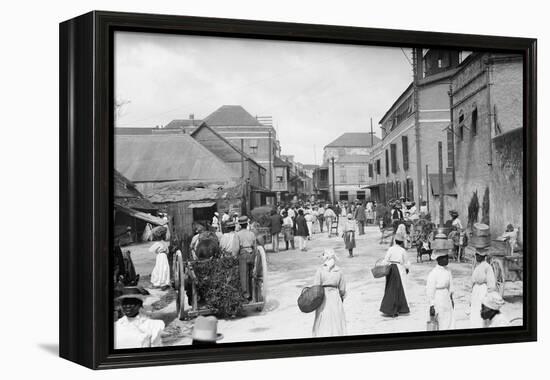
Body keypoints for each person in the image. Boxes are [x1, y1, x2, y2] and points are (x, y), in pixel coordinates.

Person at [312, 249, 347, 337]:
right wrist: (341, 297)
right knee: (336, 318)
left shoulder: (320, 270)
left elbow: (316, 286)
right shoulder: (339, 271)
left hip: (323, 296)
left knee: (323, 317)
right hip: (335, 297)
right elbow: (342, 289)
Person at [380, 231, 411, 316]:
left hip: (391, 269)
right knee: (400, 288)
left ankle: (389, 308)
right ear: (401, 242)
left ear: (395, 241)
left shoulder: (390, 249)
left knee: (390, 288)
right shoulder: (403, 250)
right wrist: (407, 268)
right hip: (400, 269)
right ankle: (400, 308)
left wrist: (384, 265)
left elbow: (385, 260)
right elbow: (406, 262)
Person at [426, 249, 455, 330]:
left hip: (446, 298)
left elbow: (450, 286)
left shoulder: (448, 271)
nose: (447, 259)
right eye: (444, 258)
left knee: (449, 318)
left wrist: (451, 299)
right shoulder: (433, 273)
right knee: (440, 319)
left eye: (447, 257)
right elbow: (430, 290)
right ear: (439, 259)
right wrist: (432, 305)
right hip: (438, 298)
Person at [470, 249, 496, 328]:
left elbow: (491, 284)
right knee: (475, 312)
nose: (476, 257)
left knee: (481, 312)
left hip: (483, 291)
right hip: (476, 291)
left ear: (483, 256)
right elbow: (473, 281)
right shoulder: (477, 266)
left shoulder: (487, 267)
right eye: (476, 255)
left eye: (478, 255)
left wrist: (488, 298)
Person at [237, 216, 256, 298]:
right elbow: (255, 246)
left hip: (243, 254)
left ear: (240, 225)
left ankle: (246, 294)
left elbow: (236, 248)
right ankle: (252, 292)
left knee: (243, 274)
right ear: (247, 224)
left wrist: (235, 256)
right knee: (251, 274)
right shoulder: (251, 233)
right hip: (251, 253)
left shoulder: (237, 234)